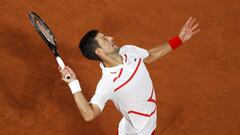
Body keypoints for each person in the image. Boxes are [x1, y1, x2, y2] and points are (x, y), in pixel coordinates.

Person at [59, 17, 200, 135]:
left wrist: (179, 39)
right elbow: (89, 114)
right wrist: (73, 83)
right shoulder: (109, 83)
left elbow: (150, 56)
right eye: (105, 39)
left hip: (137, 127)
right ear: (100, 52)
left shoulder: (128, 51)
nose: (111, 38)